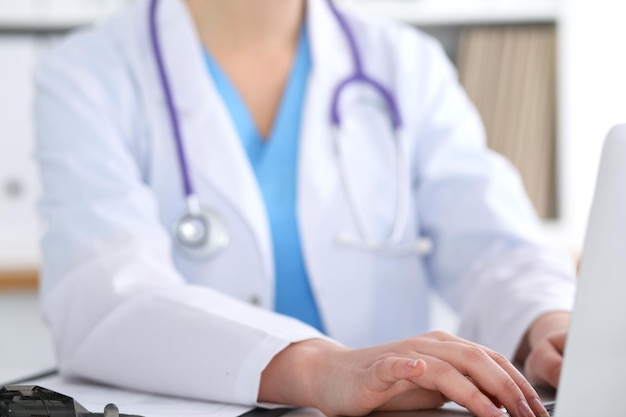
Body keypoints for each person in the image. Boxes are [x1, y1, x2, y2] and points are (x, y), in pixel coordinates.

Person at [33, 0, 576, 416]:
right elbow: (105, 294)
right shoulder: (89, 75)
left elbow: (496, 246)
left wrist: (547, 323)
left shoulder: (405, 64)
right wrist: (321, 368)